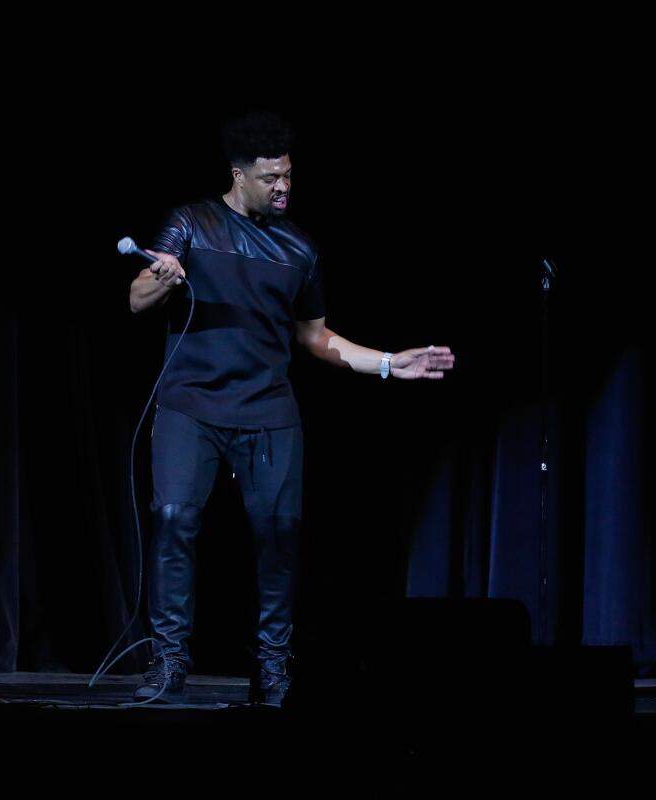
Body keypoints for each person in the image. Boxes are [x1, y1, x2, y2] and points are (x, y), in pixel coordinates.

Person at [128, 111, 455, 705]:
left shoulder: (299, 247)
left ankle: (272, 668)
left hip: (268, 411)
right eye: (271, 177)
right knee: (174, 520)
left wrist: (388, 363)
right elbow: (137, 298)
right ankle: (168, 660)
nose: (283, 187)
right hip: (191, 406)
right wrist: (164, 277)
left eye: (288, 176)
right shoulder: (191, 223)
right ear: (239, 175)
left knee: (279, 535)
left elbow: (316, 338)